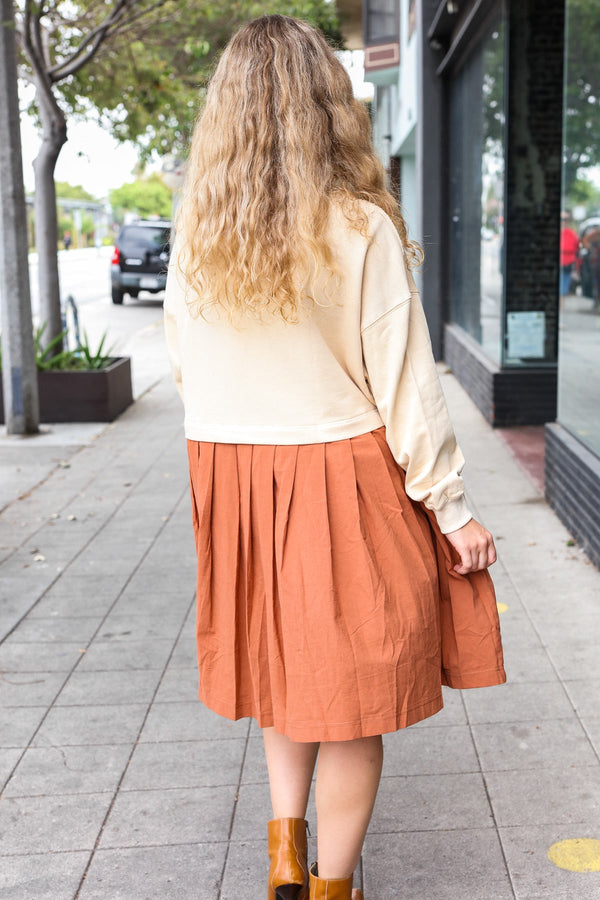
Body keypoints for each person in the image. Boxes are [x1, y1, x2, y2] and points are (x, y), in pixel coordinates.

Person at [164, 15, 505, 900]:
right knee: (352, 701)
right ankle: (329, 887)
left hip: (233, 475)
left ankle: (285, 853)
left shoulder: (199, 231)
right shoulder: (357, 225)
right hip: (337, 476)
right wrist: (452, 508)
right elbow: (406, 385)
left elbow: (183, 365)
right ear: (330, 106)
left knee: (286, 677)